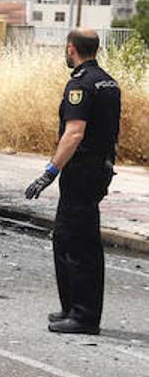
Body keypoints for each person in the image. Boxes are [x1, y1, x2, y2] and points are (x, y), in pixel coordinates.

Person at [25, 28, 122, 335]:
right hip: (98, 168)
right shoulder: (108, 82)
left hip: (81, 171)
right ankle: (72, 308)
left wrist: (49, 173)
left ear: (71, 49)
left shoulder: (80, 84)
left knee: (79, 244)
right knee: (66, 238)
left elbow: (75, 133)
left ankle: (84, 316)